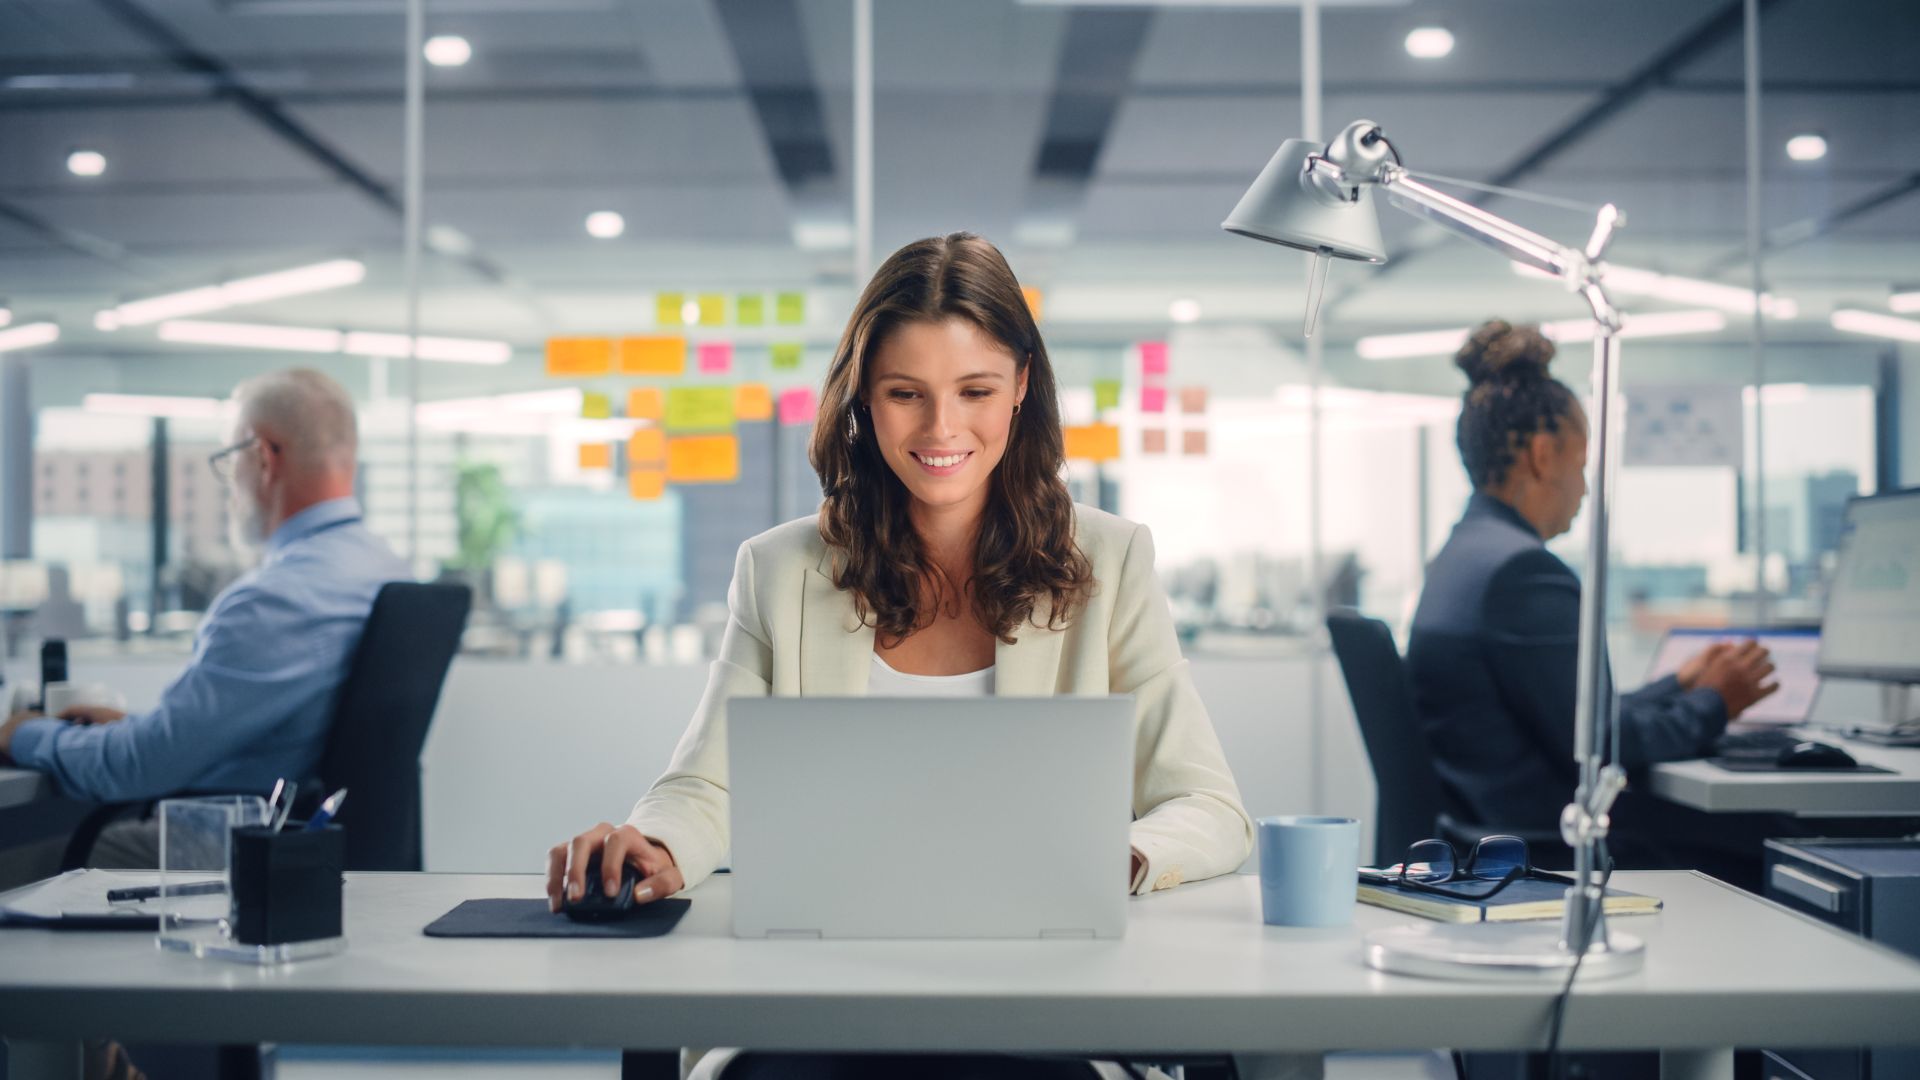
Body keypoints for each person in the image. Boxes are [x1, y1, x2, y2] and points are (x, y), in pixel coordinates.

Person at [547, 233, 1254, 1078]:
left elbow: (1209, 807)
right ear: (864, 402)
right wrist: (654, 846)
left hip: (1046, 1002)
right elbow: (707, 784)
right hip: (820, 1001)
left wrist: (1121, 856)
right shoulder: (780, 571)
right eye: (905, 393)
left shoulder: (1110, 560)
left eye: (976, 391)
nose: (942, 427)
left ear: (1022, 387)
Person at [1405, 320, 1780, 883]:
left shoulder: (1463, 557)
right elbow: (1600, 749)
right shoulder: (1522, 573)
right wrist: (1715, 703)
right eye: (1582, 464)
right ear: (1541, 454)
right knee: (1775, 840)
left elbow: (1573, 717)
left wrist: (1678, 685)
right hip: (1549, 853)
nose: (1584, 487)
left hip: (1485, 838)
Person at [0, 368, 410, 866]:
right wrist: (143, 727)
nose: (227, 482)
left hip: (240, 845)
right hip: (306, 842)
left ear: (261, 457)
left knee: (22, 859)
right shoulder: (383, 568)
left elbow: (137, 767)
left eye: (227, 459)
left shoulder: (274, 600)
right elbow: (268, 730)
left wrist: (23, 733)